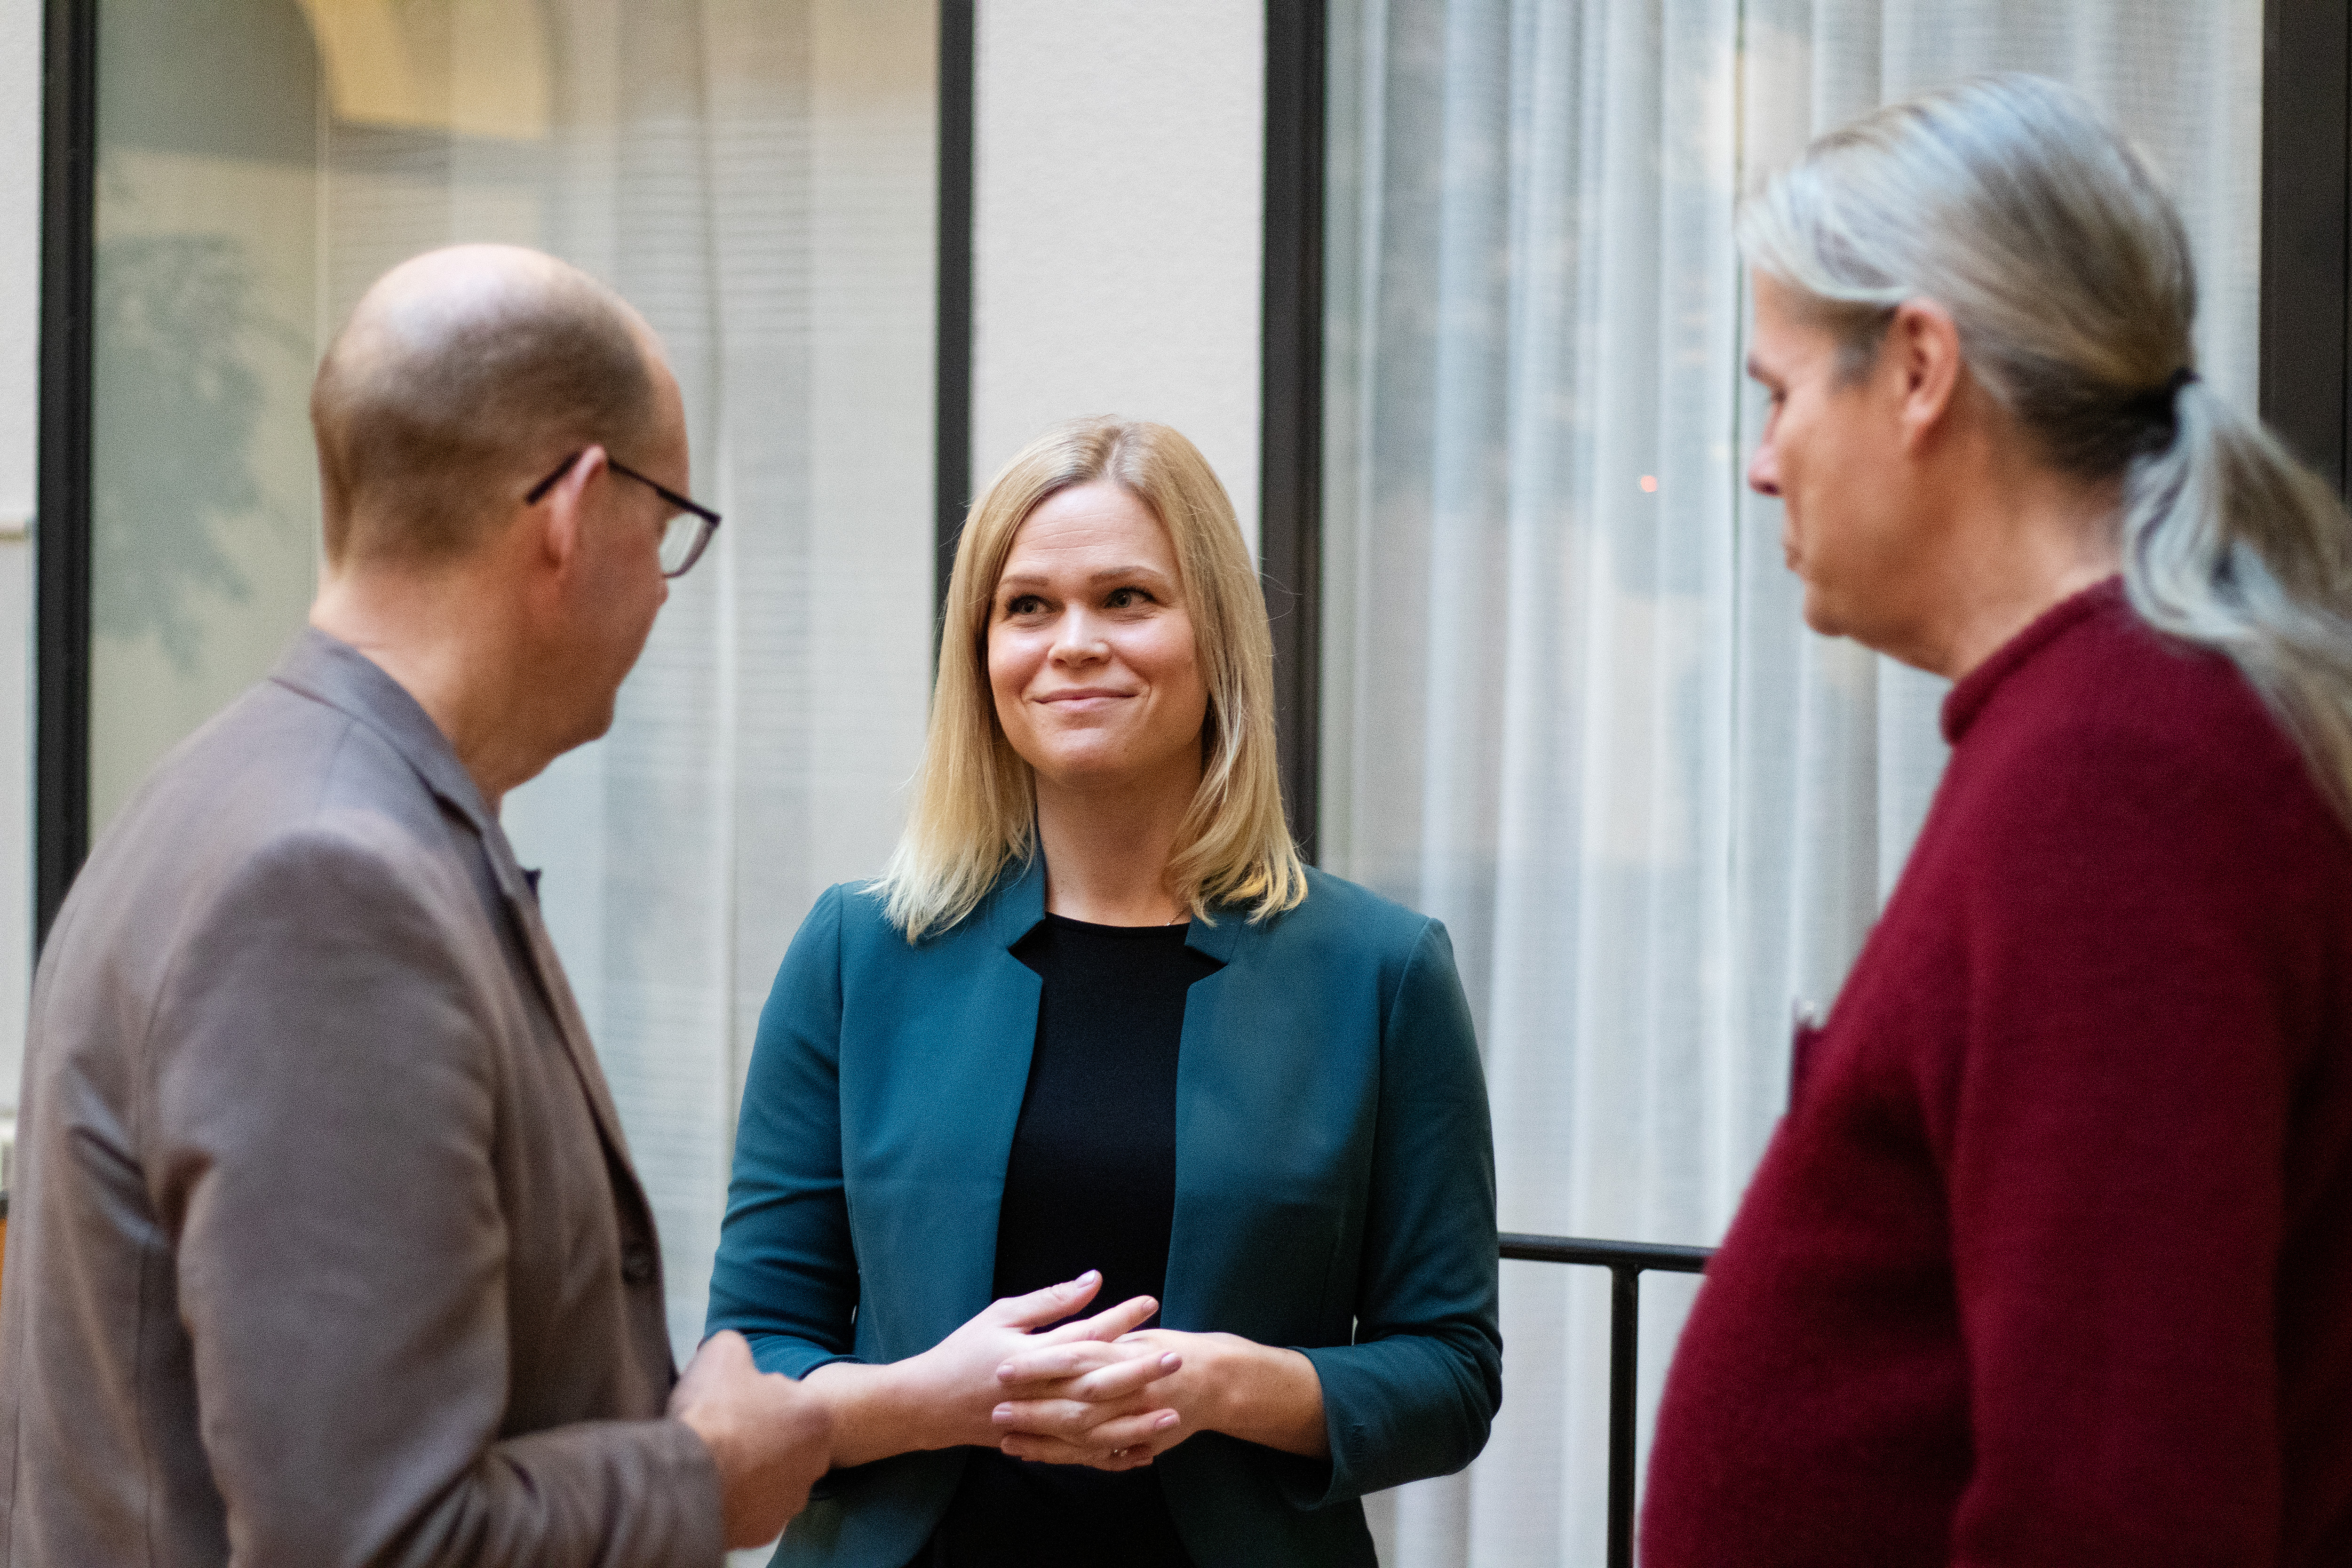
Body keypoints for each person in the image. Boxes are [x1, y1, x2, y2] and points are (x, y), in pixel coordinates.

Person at [0, 244, 832, 1566]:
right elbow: (376, 1537)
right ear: (575, 505)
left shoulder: (243, 790)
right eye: (666, 528)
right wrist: (706, 1475)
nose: (663, 591)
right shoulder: (326, 883)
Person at [1643, 75, 2352, 1567]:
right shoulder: (2097, 731)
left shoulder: (2124, 779)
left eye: (1776, 394)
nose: (1762, 461)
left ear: (1917, 367)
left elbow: (2124, 1493)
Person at [705, 416, 1502, 1567]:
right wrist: (945, 1395)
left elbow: (1449, 1369)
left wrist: (1225, 1381)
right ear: (981, 655)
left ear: (1215, 635)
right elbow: (752, 1351)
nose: (1072, 642)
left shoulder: (1379, 971)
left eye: (1126, 597)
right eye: (1026, 606)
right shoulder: (858, 950)